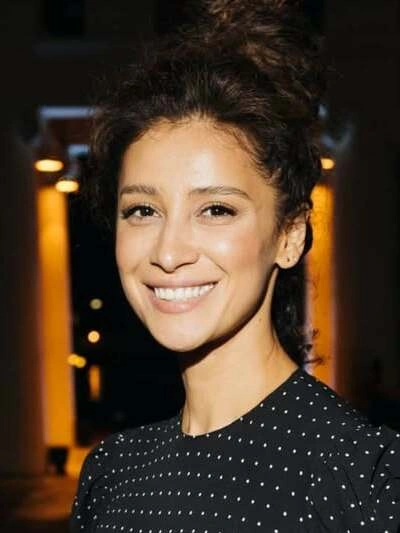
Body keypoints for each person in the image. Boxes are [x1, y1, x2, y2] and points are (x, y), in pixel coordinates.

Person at [70, 1, 400, 531]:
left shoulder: (366, 477)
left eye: (216, 210)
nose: (168, 253)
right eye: (143, 210)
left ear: (290, 235)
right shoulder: (110, 473)